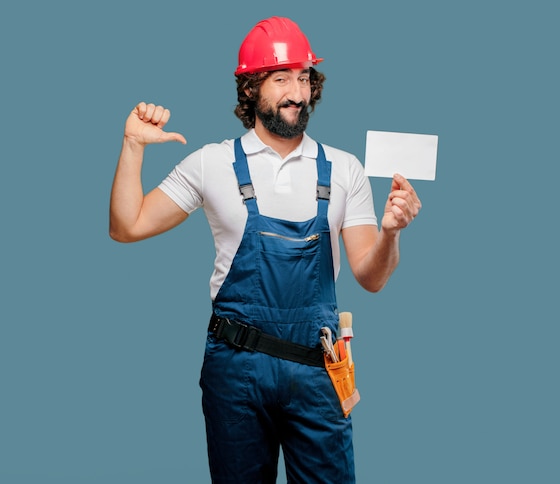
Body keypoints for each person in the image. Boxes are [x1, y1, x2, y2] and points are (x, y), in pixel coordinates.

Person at [109, 16, 421, 484]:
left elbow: (371, 278)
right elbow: (126, 226)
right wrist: (133, 145)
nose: (297, 92)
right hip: (236, 370)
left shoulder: (344, 169)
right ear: (251, 88)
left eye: (304, 77)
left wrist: (392, 232)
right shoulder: (209, 163)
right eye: (281, 79)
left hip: (319, 369)